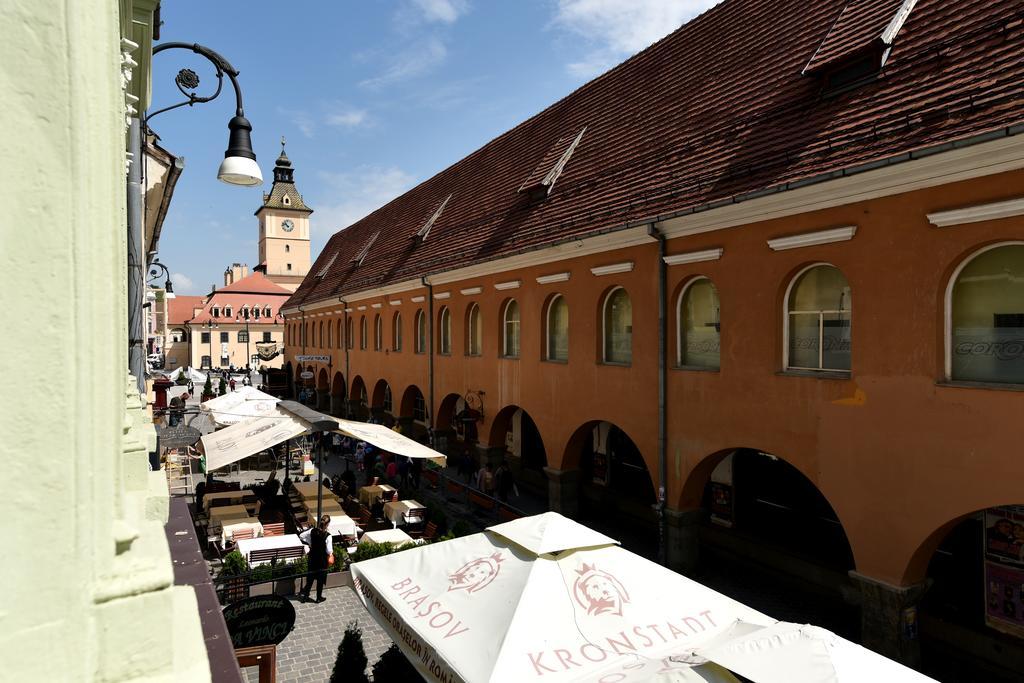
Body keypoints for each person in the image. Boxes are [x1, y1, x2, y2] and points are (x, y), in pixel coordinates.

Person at [299, 515, 333, 603]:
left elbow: (301, 536)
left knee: (310, 577)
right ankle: (318, 598)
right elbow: (329, 551)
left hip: (312, 557)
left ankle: (305, 597)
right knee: (320, 579)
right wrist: (331, 554)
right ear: (328, 524)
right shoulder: (328, 536)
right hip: (321, 559)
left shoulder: (312, 530)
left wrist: (310, 544)